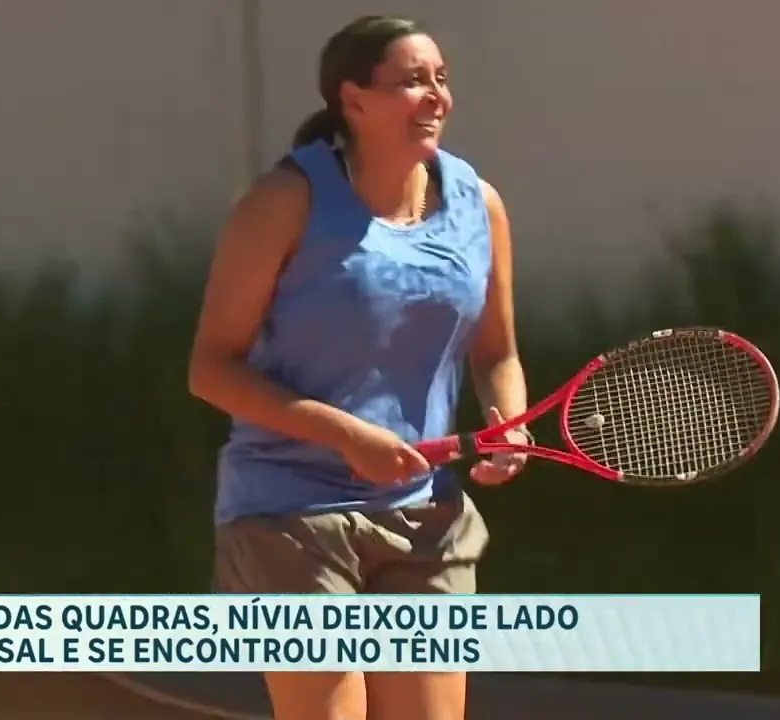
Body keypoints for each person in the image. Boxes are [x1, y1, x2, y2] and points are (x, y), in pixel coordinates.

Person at [189, 15, 532, 720]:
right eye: (412, 82)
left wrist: (511, 423)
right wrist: (345, 435)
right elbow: (211, 369)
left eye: (441, 80)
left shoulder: (479, 205)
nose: (436, 97)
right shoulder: (283, 204)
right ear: (354, 102)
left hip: (425, 520)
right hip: (287, 516)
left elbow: (496, 351)